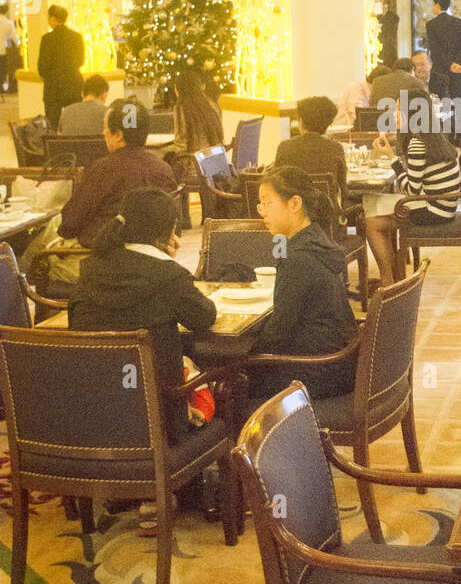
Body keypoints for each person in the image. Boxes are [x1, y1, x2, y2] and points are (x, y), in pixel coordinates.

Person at [68, 189, 216, 444]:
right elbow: (204, 316)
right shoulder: (167, 275)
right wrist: (168, 263)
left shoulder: (91, 268)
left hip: (95, 421)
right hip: (161, 429)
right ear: (169, 230)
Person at [248, 168, 358, 405]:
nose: (263, 212)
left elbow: (278, 333)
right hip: (339, 364)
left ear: (295, 203)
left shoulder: (297, 258)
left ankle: (251, 440)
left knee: (232, 381)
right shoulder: (317, 239)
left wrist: (241, 355)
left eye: (267, 203)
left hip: (315, 372)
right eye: (260, 205)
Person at [364, 86, 461, 286]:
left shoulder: (418, 143)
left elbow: (410, 190)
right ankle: (394, 275)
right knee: (376, 205)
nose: (394, 114)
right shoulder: (432, 135)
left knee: (371, 222)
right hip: (444, 205)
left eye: (399, 109)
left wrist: (391, 158)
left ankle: (388, 282)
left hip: (433, 209)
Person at [58, 98, 177, 250]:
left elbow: (68, 225)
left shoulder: (103, 169)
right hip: (155, 259)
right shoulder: (164, 169)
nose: (103, 133)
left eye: (105, 127)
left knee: (40, 253)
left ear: (118, 135)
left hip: (103, 260)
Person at [274, 95, 348, 210]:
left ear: (301, 121)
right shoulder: (335, 148)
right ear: (327, 125)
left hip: (292, 218)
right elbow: (344, 191)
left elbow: (276, 186)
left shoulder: (284, 147)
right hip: (327, 221)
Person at [38, 4, 85, 130]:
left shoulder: (47, 39)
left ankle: (54, 148)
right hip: (73, 84)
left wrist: (48, 76)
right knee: (75, 122)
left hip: (53, 87)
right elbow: (81, 61)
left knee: (52, 124)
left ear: (53, 19)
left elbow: (42, 67)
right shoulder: (76, 37)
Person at [425, 0, 461, 100]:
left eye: (433, 4)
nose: (432, 7)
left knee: (439, 103)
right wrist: (457, 64)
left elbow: (435, 49)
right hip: (457, 70)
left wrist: (449, 64)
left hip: (440, 70)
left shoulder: (431, 25)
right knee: (457, 101)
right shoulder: (458, 22)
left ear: (438, 5)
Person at [173, 69, 224, 156]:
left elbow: (181, 146)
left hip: (194, 162)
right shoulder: (211, 104)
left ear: (179, 89)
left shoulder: (182, 108)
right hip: (215, 159)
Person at [0, 0, 20, 95]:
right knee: (3, 69)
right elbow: (14, 37)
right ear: (6, 12)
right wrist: (19, 44)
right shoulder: (8, 23)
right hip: (4, 50)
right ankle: (3, 87)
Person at [376, 0, 399, 67]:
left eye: (380, 3)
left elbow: (390, 33)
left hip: (388, 49)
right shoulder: (375, 17)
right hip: (377, 49)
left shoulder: (393, 17)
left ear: (385, 5)